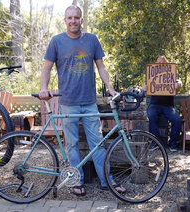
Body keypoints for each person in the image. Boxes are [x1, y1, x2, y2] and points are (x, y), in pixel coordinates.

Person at [39, 5, 125, 196]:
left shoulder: (91, 40)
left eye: (76, 18)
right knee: (71, 144)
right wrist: (44, 87)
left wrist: (110, 87)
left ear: (81, 20)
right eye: (69, 18)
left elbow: (101, 67)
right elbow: (46, 68)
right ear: (65, 20)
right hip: (68, 101)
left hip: (89, 101)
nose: (73, 21)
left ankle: (106, 180)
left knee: (98, 144)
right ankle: (76, 180)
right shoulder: (56, 41)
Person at [143, 56, 182, 152]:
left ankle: (172, 144)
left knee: (177, 120)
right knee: (151, 116)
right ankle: (155, 143)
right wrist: (144, 87)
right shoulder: (151, 73)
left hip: (168, 106)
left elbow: (179, 82)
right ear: (155, 64)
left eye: (163, 63)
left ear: (167, 64)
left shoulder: (171, 73)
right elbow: (145, 86)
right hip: (154, 105)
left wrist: (178, 84)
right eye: (159, 63)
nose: (161, 65)